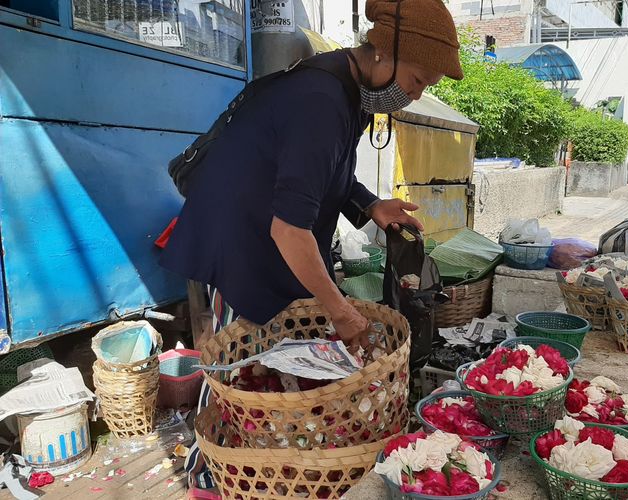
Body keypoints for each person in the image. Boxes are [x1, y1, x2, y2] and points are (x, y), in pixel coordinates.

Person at [159, 0, 463, 489]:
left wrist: (368, 206)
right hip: (238, 243)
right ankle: (214, 479)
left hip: (268, 237)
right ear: (384, 54)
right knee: (234, 384)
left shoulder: (348, 90)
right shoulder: (320, 98)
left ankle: (274, 470)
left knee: (273, 378)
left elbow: (329, 173)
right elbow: (289, 230)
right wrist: (341, 311)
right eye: (417, 81)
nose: (414, 96)